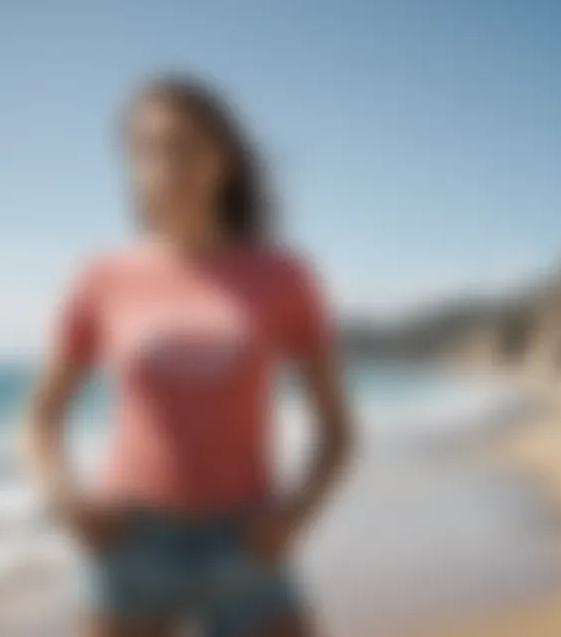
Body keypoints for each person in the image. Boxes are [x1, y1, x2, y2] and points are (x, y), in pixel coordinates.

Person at [24, 75, 353, 637]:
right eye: (146, 149)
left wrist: (296, 515)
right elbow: (42, 416)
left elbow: (336, 429)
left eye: (183, 144)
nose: (165, 163)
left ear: (224, 157)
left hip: (248, 541)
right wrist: (65, 496)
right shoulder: (102, 277)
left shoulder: (283, 277)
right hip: (131, 542)